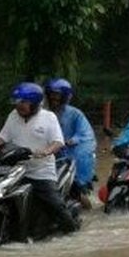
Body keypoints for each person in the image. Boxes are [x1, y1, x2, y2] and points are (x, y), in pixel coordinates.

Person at [0, 82, 78, 232]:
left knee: (56, 205)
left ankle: (72, 232)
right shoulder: (13, 116)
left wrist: (46, 151)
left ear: (34, 103)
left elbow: (58, 142)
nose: (19, 106)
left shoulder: (49, 117)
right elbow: (2, 138)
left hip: (41, 172)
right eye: (17, 102)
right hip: (15, 170)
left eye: (24, 102)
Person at [45, 78, 96, 209]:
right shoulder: (43, 113)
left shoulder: (75, 114)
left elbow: (86, 134)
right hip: (47, 156)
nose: (53, 98)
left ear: (65, 97)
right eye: (52, 94)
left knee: (75, 191)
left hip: (68, 158)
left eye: (57, 95)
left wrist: (72, 140)